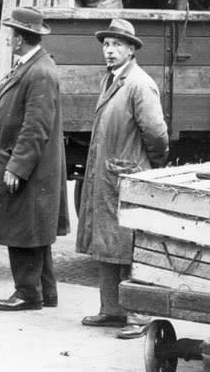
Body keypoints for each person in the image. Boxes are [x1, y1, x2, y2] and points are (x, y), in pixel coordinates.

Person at [0, 6, 69, 311]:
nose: (9, 39)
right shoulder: (31, 64)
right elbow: (5, 93)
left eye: (12, 34)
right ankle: (45, 292)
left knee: (23, 228)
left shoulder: (40, 72)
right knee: (35, 230)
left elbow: (37, 126)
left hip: (28, 166)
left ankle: (28, 293)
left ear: (20, 39)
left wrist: (18, 167)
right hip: (24, 162)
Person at [76, 19, 169, 339]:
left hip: (127, 177)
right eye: (106, 44)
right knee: (107, 242)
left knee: (131, 247)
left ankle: (140, 316)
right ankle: (112, 310)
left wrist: (148, 168)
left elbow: (157, 134)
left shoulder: (139, 84)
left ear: (131, 50)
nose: (110, 50)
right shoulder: (112, 80)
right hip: (109, 176)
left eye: (117, 44)